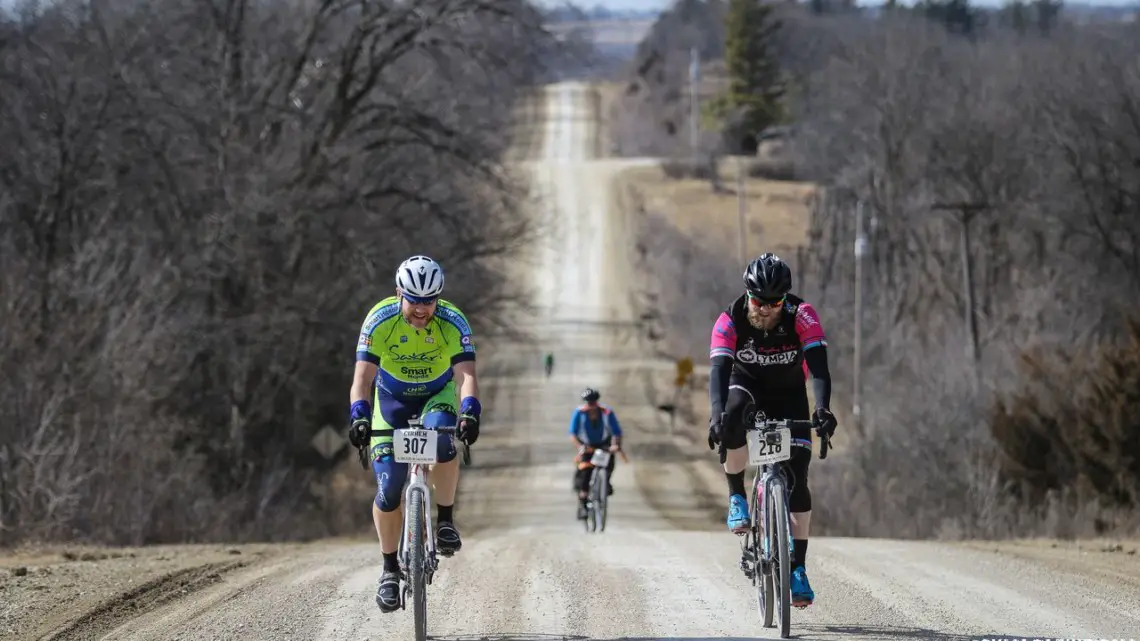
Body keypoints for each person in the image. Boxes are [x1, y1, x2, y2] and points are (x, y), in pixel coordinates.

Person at [347, 255, 482, 613]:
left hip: (435, 397)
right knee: (389, 490)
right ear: (398, 294)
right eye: (414, 300)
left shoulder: (452, 321)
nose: (422, 309)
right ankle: (390, 570)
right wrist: (359, 415)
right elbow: (363, 379)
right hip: (390, 404)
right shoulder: (380, 320)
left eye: (429, 300)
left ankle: (446, 521)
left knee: (442, 440)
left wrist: (470, 411)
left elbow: (466, 375)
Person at [705, 253, 838, 609]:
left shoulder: (802, 316)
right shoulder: (730, 319)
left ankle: (797, 568)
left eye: (774, 303)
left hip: (788, 394)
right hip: (745, 386)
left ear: (785, 300)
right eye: (758, 301)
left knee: (797, 477)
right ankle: (737, 495)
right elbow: (718, 371)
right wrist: (715, 416)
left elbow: (820, 369)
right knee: (731, 418)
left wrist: (823, 410)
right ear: (747, 295)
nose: (764, 310)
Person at [568, 387, 623, 519]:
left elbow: (616, 431)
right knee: (585, 473)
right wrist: (580, 446)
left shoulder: (607, 412)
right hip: (586, 446)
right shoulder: (579, 413)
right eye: (588, 402)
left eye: (593, 402)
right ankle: (583, 503)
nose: (591, 406)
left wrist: (615, 445)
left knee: (609, 462)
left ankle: (606, 482)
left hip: (603, 444)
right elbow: (573, 434)